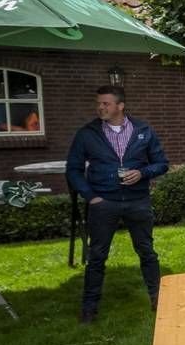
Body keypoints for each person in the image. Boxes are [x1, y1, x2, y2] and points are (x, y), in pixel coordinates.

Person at [66, 85, 169, 323]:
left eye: (106, 103)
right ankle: (89, 308)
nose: (100, 107)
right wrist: (92, 197)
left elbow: (161, 163)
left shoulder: (143, 130)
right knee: (97, 256)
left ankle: (158, 299)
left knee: (147, 252)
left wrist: (142, 173)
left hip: (138, 202)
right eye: (99, 104)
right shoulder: (87, 133)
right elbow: (73, 170)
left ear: (120, 106)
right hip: (104, 202)